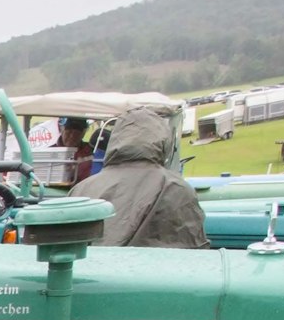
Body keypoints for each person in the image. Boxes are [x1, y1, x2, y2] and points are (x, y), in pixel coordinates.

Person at [68, 106, 209, 249]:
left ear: (117, 138)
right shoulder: (177, 188)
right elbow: (194, 250)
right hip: (150, 268)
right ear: (162, 141)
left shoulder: (80, 190)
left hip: (91, 268)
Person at [57, 118, 95, 184]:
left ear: (83, 133)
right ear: (60, 129)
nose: (72, 136)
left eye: (77, 134)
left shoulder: (91, 151)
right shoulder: (48, 151)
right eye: (69, 132)